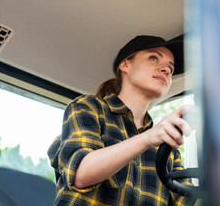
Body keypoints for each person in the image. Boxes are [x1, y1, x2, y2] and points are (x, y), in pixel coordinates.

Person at [47, 35, 196, 205]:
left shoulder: (168, 149)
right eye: (154, 58)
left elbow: (188, 199)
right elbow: (80, 174)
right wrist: (147, 138)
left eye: (171, 67)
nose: (167, 70)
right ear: (125, 65)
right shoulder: (88, 107)